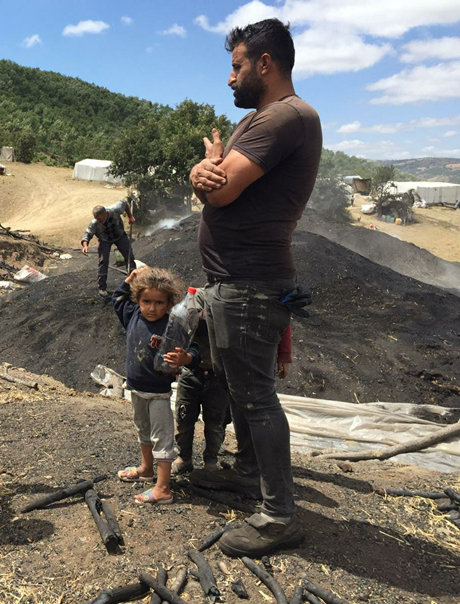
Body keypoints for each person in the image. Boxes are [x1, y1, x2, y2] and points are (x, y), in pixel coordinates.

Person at [188, 19, 321, 556]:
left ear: (265, 63)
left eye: (237, 65)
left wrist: (206, 176)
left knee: (258, 399)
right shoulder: (261, 121)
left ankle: (279, 516)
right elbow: (212, 178)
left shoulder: (286, 117)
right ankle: (246, 472)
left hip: (250, 284)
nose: (229, 78)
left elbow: (220, 192)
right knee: (244, 388)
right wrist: (204, 167)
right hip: (236, 282)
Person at [111, 267, 200, 505]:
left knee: (162, 438)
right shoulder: (132, 316)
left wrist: (186, 359)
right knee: (143, 430)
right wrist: (128, 281)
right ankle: (146, 468)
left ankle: (163, 489)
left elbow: (193, 348)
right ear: (137, 300)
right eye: (146, 301)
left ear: (170, 303)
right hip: (136, 388)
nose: (152, 308)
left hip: (158, 392)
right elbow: (117, 298)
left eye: (159, 303)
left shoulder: (173, 326)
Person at [172, 317, 293, 476]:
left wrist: (284, 354)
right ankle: (184, 457)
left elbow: (280, 321)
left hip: (221, 373)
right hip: (192, 370)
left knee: (216, 421)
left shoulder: (233, 303)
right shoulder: (194, 302)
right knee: (184, 417)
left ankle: (211, 461)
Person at [81, 200, 136, 296]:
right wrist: (85, 245)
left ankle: (134, 283)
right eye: (96, 219)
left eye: (99, 219)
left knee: (129, 257)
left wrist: (130, 216)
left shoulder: (116, 209)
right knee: (103, 261)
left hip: (119, 235)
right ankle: (102, 288)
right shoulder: (95, 222)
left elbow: (124, 203)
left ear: (105, 214)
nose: (98, 221)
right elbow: (87, 233)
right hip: (104, 239)